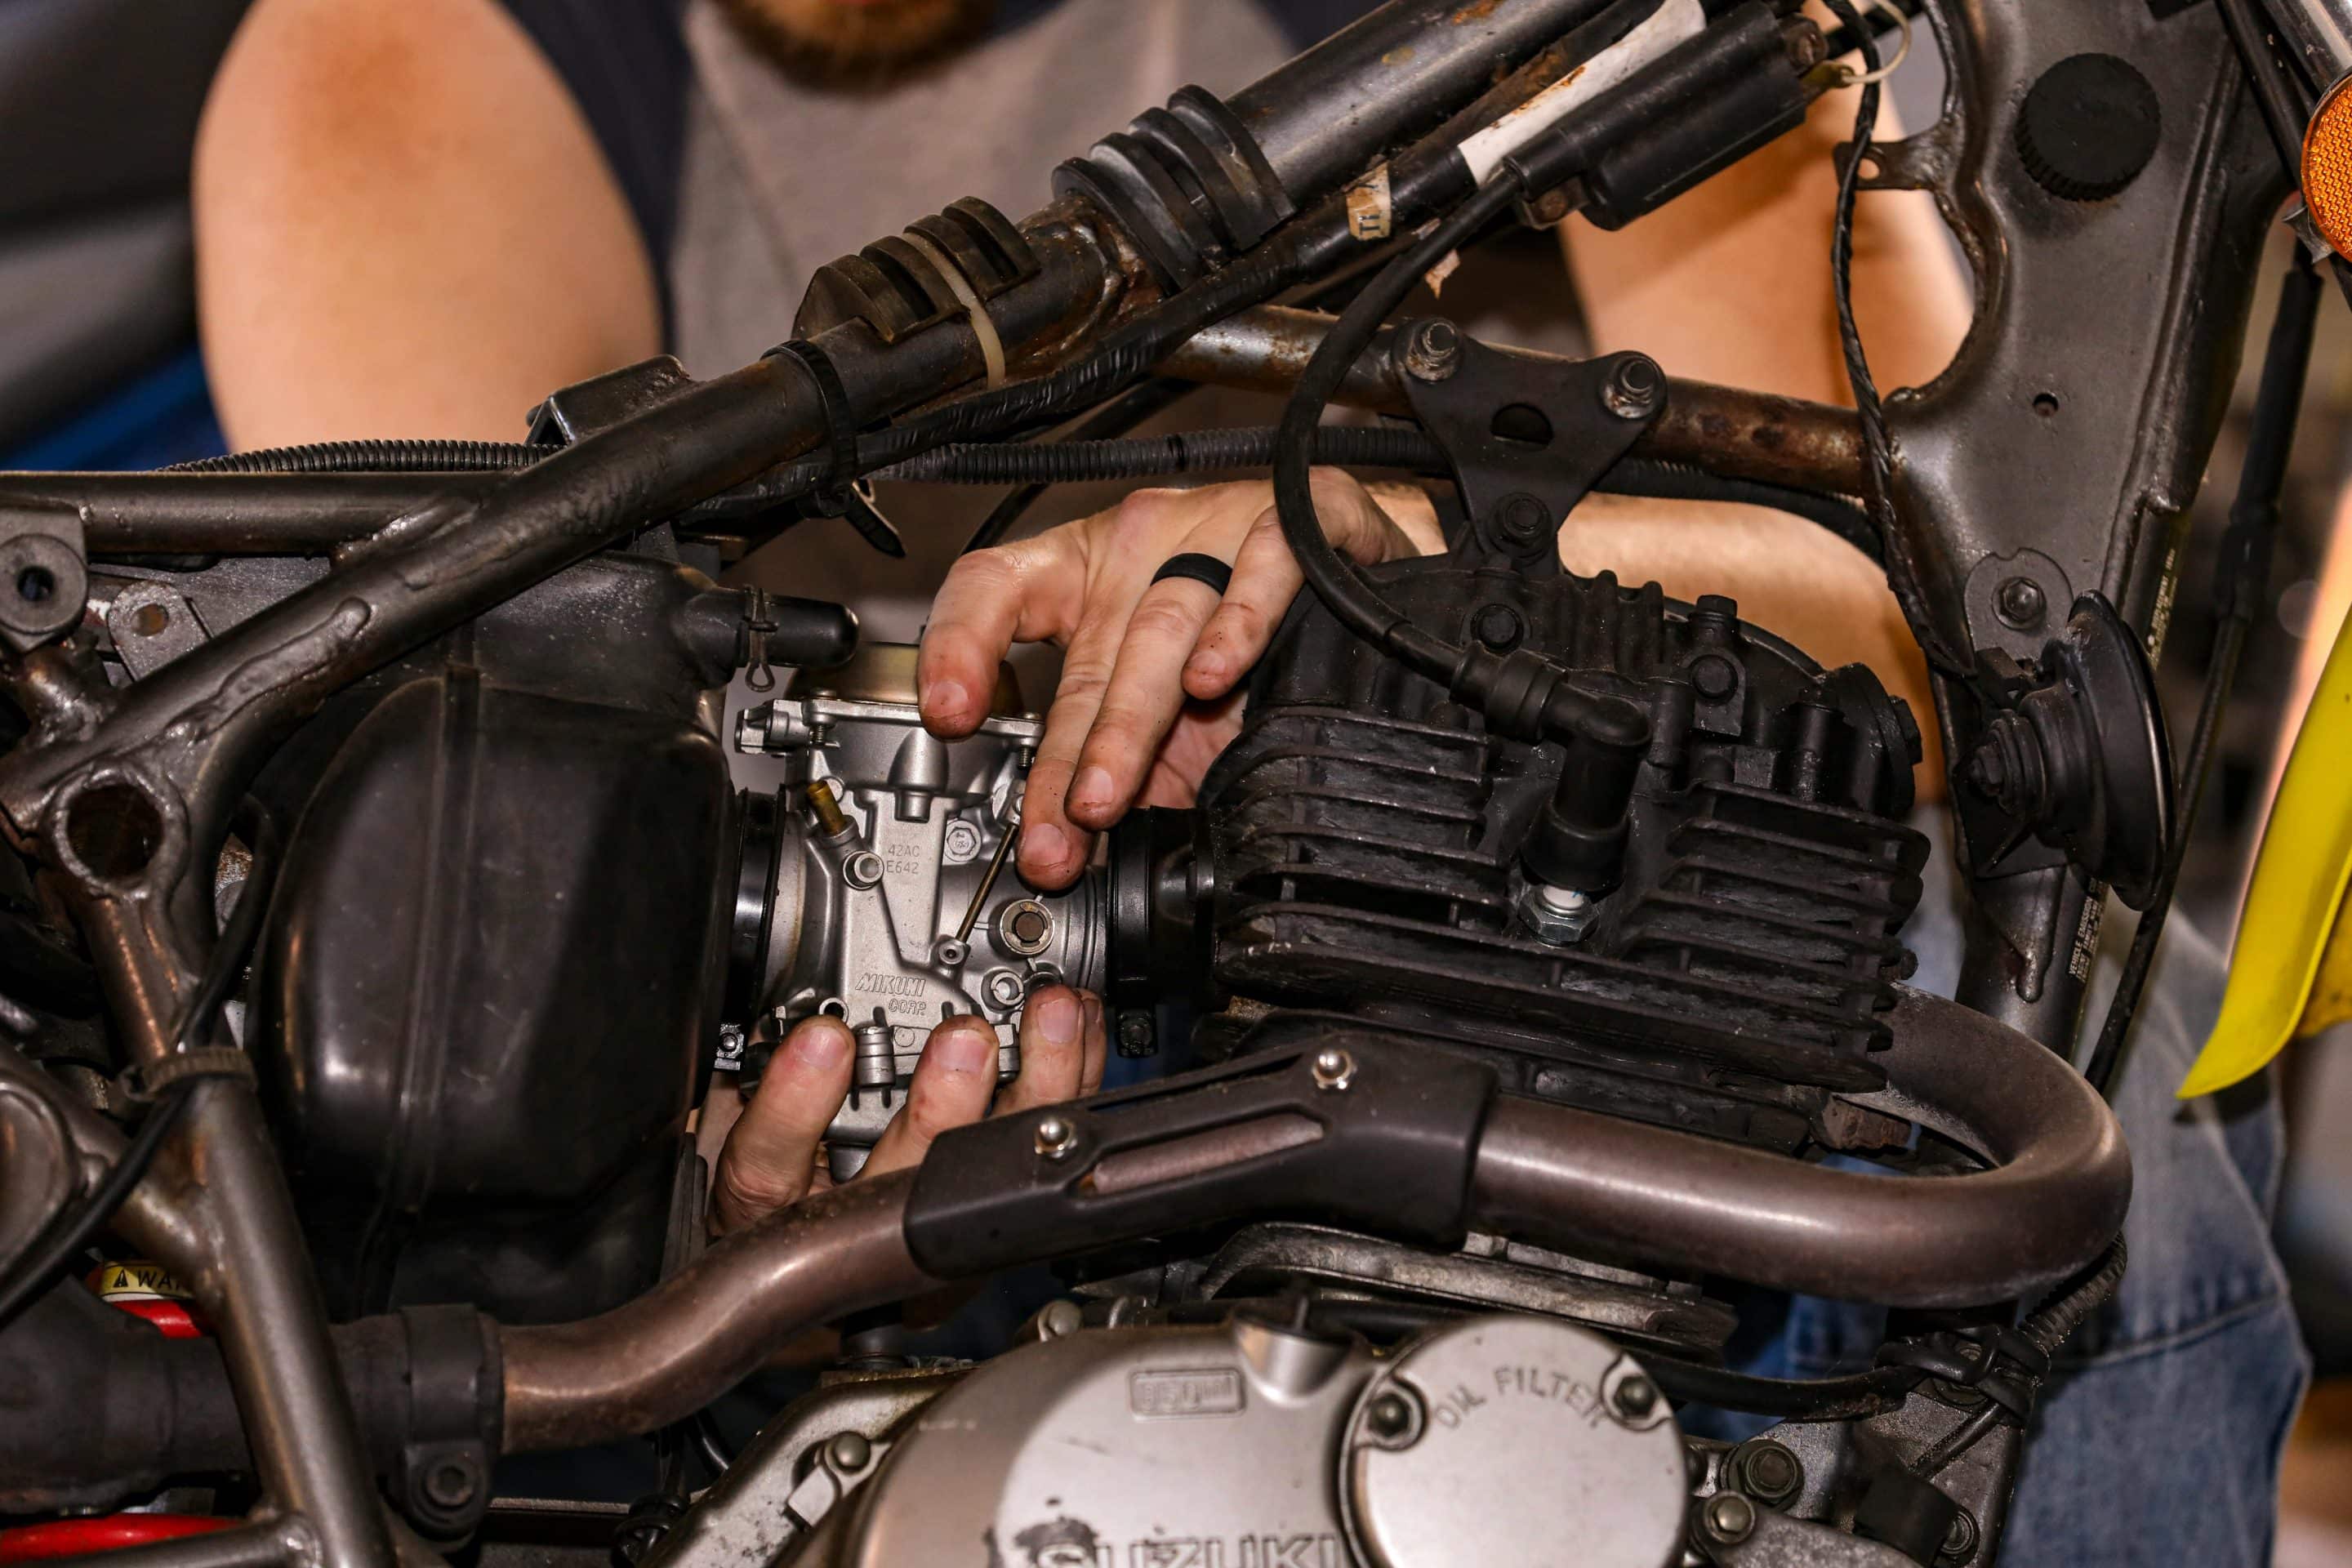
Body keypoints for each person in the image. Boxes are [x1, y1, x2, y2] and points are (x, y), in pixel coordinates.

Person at [193, 1, 2304, 1559]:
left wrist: (1411, 562)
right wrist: (659, 1167)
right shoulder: (405, 64)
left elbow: (1925, 618)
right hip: (895, 1145)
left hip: (1518, 958)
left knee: (2065, 1161)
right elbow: (458, 865)